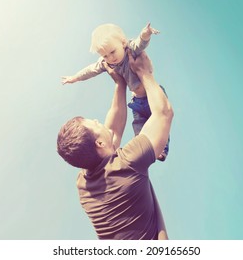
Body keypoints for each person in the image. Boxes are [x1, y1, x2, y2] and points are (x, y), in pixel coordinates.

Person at [57, 51, 174, 240]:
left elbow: (112, 131)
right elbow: (164, 113)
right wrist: (145, 73)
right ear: (100, 143)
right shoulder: (128, 163)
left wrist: (120, 84)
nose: (97, 120)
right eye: (94, 123)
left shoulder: (84, 186)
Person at [61, 23, 170, 161]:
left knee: (160, 120)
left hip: (151, 96)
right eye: (105, 56)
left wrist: (145, 34)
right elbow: (90, 70)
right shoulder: (107, 63)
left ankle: (162, 148)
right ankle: (145, 148)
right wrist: (75, 77)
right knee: (139, 124)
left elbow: (140, 43)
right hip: (136, 101)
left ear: (123, 42)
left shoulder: (130, 50)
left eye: (112, 52)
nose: (110, 58)